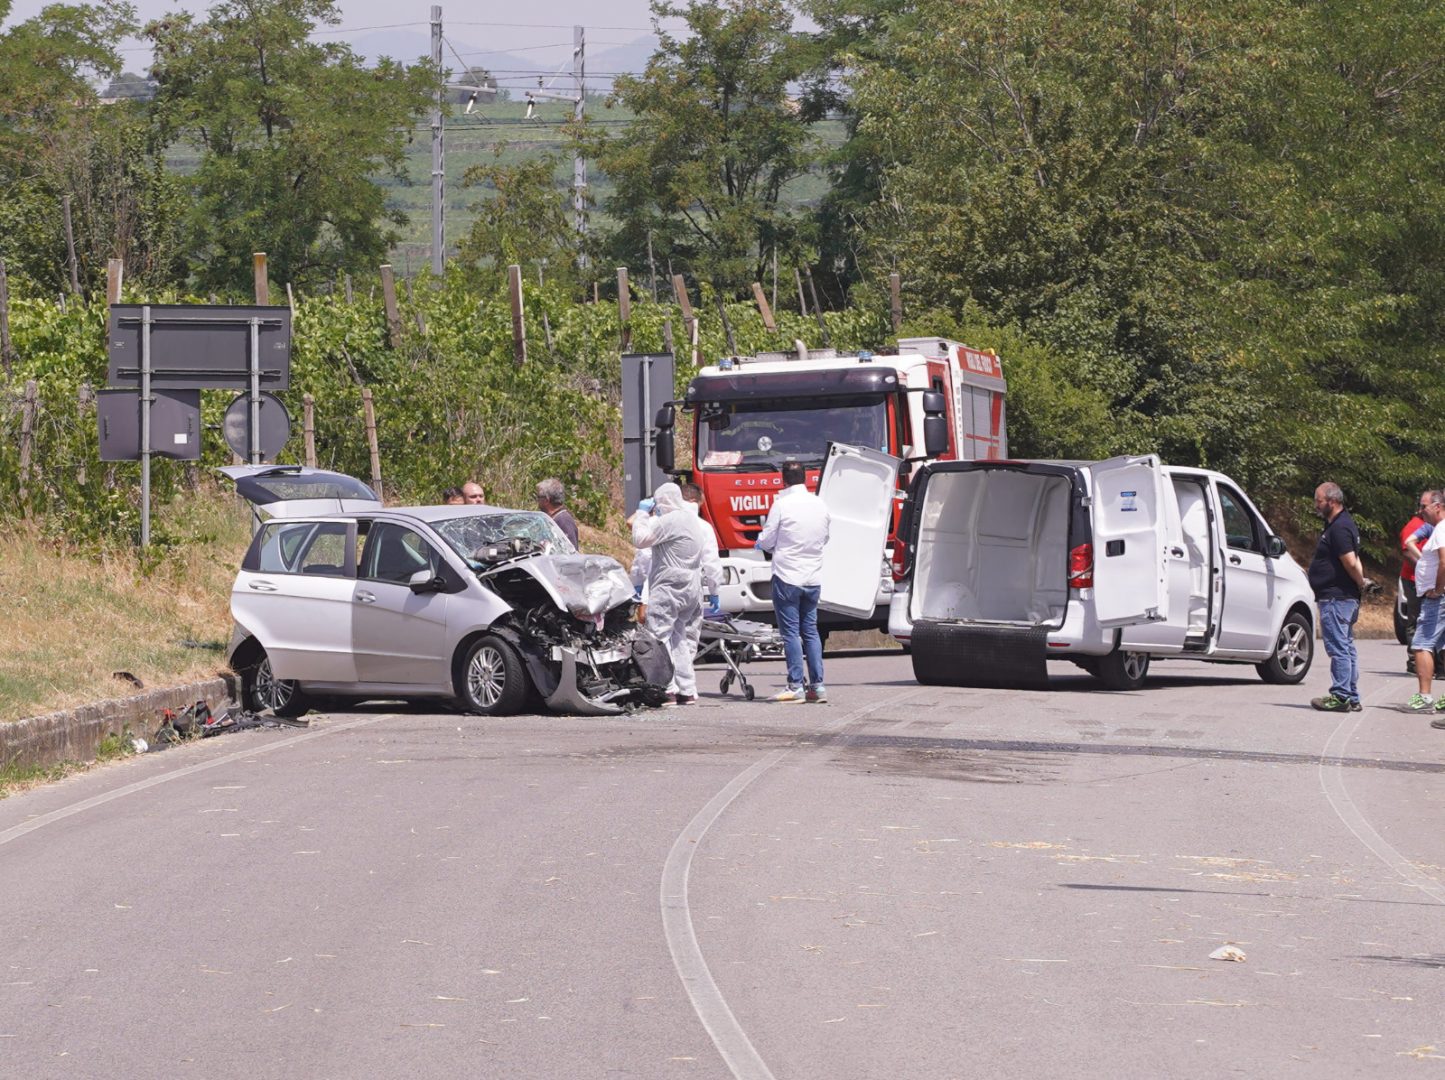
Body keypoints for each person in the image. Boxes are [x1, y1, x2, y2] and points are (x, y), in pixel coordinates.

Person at [630, 483, 723, 705]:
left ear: (664, 502)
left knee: (659, 636)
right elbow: (711, 560)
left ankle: (665, 689)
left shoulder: (670, 521)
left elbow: (640, 540)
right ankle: (687, 689)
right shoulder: (695, 522)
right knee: (680, 638)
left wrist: (642, 513)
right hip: (691, 586)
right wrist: (715, 588)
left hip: (668, 585)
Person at [756, 460, 831, 703]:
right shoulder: (820, 504)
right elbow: (826, 536)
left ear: (783, 480)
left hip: (787, 576)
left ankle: (795, 685)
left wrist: (761, 540)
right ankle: (818, 687)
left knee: (790, 633)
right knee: (810, 631)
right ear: (806, 478)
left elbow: (767, 541)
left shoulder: (781, 505)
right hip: (813, 577)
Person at [1308, 482, 1377, 712]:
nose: (1316, 505)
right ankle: (1352, 696)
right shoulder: (1339, 525)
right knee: (1346, 647)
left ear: (1332, 501)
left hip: (1337, 598)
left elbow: (1350, 561)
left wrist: (1361, 582)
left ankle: (1340, 695)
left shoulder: (1340, 528)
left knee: (1338, 648)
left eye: (1319, 501)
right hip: (1339, 597)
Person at [1405, 492, 1445, 712]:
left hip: (1438, 599)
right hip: (1439, 596)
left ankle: (1425, 698)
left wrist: (1438, 589)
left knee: (1421, 644)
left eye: (1424, 506)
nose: (1421, 511)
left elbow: (1444, 562)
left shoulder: (1441, 528)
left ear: (1437, 506)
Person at [1400, 492, 1435, 673]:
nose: (1422, 509)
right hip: (1413, 580)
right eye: (1421, 506)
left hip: (1427, 581)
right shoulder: (1415, 525)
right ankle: (1414, 661)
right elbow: (1406, 551)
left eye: (1425, 506)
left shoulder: (1433, 526)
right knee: (1415, 620)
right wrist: (1424, 566)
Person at [682, 482, 723, 616]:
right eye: (700, 505)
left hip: (663, 587)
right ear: (694, 502)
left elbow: (645, 555)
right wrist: (714, 591)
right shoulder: (703, 527)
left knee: (665, 632)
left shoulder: (663, 522)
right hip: (690, 587)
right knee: (689, 632)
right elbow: (711, 563)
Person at [536, 477, 580, 549]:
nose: (537, 501)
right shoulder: (552, 519)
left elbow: (571, 553)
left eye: (538, 497)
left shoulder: (564, 521)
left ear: (546, 500)